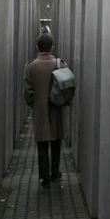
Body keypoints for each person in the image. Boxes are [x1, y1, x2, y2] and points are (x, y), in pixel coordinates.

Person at [23, 34, 67, 188]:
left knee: (42, 144)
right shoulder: (61, 64)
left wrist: (34, 105)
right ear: (52, 47)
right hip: (56, 109)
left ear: (37, 47)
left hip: (40, 110)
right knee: (56, 141)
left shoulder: (30, 67)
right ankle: (55, 172)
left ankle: (44, 176)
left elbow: (28, 92)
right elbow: (67, 87)